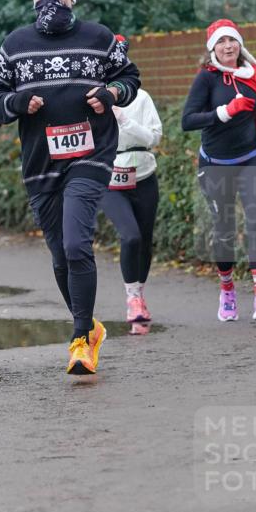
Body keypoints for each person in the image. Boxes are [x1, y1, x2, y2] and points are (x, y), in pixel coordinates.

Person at [0, 0, 141, 375]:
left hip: (91, 154)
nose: (47, 3)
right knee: (58, 257)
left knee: (75, 245)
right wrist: (18, 103)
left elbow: (129, 78)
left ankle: (79, 340)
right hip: (40, 162)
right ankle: (90, 327)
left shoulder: (98, 37)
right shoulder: (16, 44)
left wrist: (109, 94)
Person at [181, 18, 256, 322]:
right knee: (224, 229)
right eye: (222, 42)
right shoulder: (206, 79)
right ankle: (227, 291)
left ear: (240, 44)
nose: (228, 46)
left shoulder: (252, 74)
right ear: (213, 48)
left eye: (232, 41)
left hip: (251, 156)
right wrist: (225, 112)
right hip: (216, 163)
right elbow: (188, 121)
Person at [99, 35, 162, 326]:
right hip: (109, 177)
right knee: (130, 235)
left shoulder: (143, 98)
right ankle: (131, 298)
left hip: (144, 174)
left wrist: (125, 120)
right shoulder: (93, 99)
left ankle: (139, 295)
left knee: (145, 239)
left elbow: (153, 137)